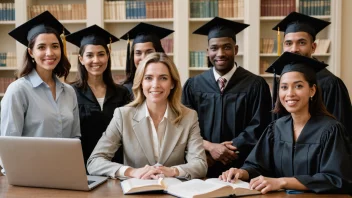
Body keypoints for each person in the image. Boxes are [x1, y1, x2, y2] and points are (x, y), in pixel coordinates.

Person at [220, 52, 352, 194]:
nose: (290, 93)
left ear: (312, 90)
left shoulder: (331, 130)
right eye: (284, 87)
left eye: (298, 86)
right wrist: (241, 172)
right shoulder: (276, 129)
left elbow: (337, 179)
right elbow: (258, 165)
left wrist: (282, 181)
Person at [87, 52, 207, 180]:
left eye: (163, 78)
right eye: (148, 78)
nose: (155, 85)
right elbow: (94, 162)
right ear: (141, 83)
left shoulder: (188, 116)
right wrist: (131, 172)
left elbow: (200, 164)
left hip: (173, 192)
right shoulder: (123, 115)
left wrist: (173, 171)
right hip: (135, 191)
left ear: (172, 83)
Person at [182, 17, 272, 178]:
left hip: (242, 167)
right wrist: (209, 148)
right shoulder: (193, 85)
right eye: (214, 48)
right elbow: (184, 127)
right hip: (203, 164)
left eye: (227, 47)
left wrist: (228, 150)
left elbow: (259, 126)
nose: (220, 54)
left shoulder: (255, 84)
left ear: (236, 49)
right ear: (207, 51)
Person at [1, 11, 80, 138]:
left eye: (55, 46)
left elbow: (75, 138)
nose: (49, 53)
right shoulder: (18, 91)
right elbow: (9, 144)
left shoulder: (69, 92)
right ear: (31, 52)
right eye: (41, 47)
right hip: (30, 158)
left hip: (64, 158)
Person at [272, 11, 352, 133]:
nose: (294, 49)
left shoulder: (331, 84)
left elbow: (342, 133)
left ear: (313, 47)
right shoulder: (282, 82)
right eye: (288, 43)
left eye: (302, 42)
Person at [66, 25, 131, 167]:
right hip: (81, 165)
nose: (96, 60)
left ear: (108, 56)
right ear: (81, 59)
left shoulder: (122, 93)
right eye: (89, 55)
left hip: (116, 165)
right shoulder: (70, 92)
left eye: (101, 54)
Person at [120, 22, 174, 98]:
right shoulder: (123, 91)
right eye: (138, 53)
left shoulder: (168, 87)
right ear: (132, 56)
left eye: (149, 52)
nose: (144, 58)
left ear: (158, 53)